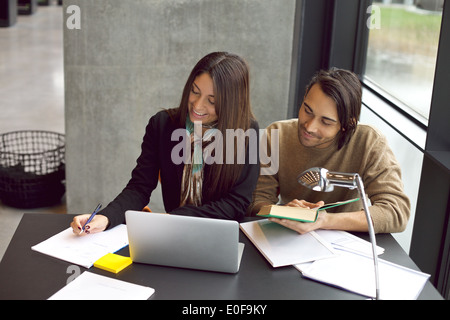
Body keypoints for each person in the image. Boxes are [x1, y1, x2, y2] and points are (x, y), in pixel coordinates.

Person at [71, 52, 260, 235]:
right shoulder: (162, 125)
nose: (197, 105)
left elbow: (236, 203)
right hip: (174, 233)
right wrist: (106, 217)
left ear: (231, 104)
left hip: (221, 236)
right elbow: (139, 187)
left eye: (212, 101)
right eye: (194, 91)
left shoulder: (246, 132)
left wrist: (173, 218)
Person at [248, 68, 410, 234]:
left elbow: (396, 212)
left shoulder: (370, 141)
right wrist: (284, 212)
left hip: (348, 238)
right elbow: (257, 199)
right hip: (291, 234)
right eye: (307, 110)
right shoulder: (276, 134)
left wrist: (323, 220)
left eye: (326, 122)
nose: (309, 127)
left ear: (347, 124)